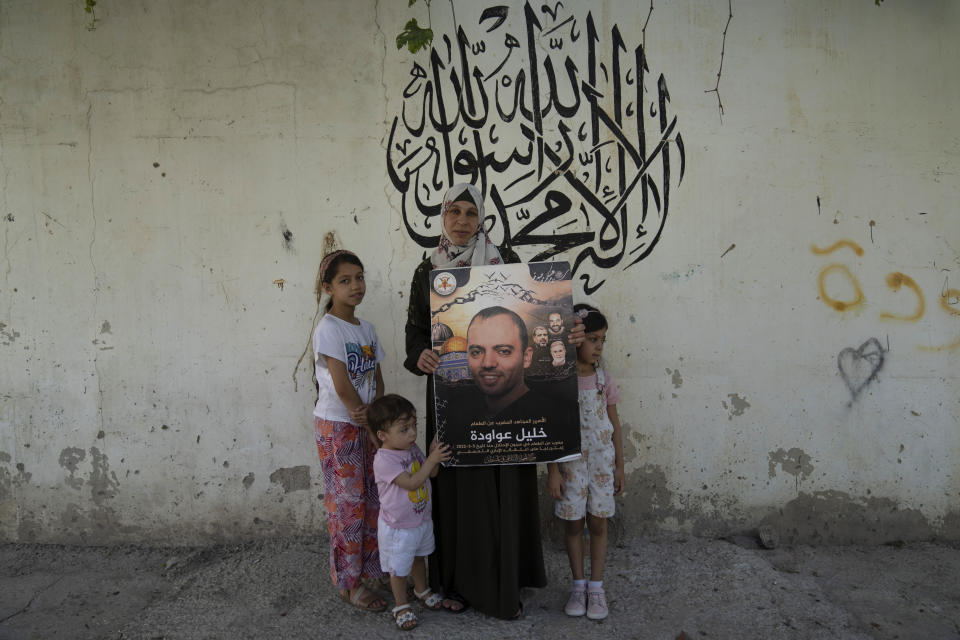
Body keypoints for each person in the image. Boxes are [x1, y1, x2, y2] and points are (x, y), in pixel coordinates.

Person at [403, 182, 584, 619]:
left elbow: (539, 319)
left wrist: (569, 331)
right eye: (454, 212)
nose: (462, 221)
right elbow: (415, 332)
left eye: (470, 213)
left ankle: (507, 581)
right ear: (443, 216)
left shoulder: (507, 266)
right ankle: (462, 583)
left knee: (507, 482)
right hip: (455, 401)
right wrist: (419, 356)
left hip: (512, 409)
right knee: (462, 490)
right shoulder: (428, 270)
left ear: (481, 218)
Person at [312, 250, 388, 612]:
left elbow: (377, 377)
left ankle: (371, 568)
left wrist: (380, 420)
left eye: (359, 277)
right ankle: (349, 583)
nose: (356, 285)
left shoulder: (366, 328)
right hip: (340, 427)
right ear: (328, 287)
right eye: (345, 280)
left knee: (372, 500)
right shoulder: (329, 328)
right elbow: (343, 387)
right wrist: (368, 423)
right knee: (347, 507)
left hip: (366, 424)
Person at [546, 304, 625, 621]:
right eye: (592, 339)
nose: (598, 347)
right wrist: (552, 470)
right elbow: (550, 427)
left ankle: (596, 587)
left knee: (598, 524)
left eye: (602, 340)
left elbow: (615, 424)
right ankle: (578, 585)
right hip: (570, 469)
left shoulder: (605, 381)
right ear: (575, 339)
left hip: (602, 469)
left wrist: (620, 467)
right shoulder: (560, 382)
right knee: (574, 525)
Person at [370, 394, 453, 631]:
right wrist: (432, 460)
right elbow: (413, 482)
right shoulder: (384, 460)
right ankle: (401, 605)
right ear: (382, 435)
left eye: (414, 425)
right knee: (398, 569)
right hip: (398, 528)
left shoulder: (411, 448)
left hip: (420, 519)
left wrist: (431, 454)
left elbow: (431, 474)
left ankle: (421, 589)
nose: (412, 433)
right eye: (404, 429)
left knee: (419, 558)